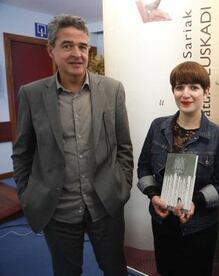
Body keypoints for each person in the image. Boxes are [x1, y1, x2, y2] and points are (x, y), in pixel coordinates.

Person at [11, 14, 133, 276]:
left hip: (105, 205)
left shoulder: (112, 90)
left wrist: (122, 187)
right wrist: (27, 195)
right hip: (58, 210)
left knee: (114, 268)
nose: (77, 54)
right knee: (66, 271)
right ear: (51, 50)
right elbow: (22, 152)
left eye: (82, 46)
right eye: (67, 45)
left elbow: (124, 146)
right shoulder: (31, 94)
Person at [137, 61, 219, 276]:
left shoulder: (218, 136)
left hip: (200, 226)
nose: (186, 94)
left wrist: (195, 202)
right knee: (166, 270)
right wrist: (153, 194)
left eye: (194, 87)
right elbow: (143, 168)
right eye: (179, 87)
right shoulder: (158, 127)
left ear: (206, 92)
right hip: (162, 222)